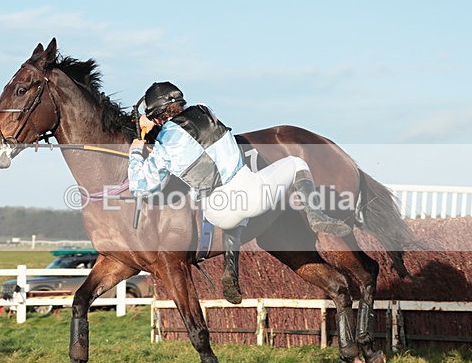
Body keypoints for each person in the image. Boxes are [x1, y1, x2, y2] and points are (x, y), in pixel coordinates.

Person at [128, 82, 351, 305]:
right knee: (296, 163)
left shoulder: (162, 148)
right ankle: (316, 215)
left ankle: (231, 270)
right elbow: (187, 129)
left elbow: (141, 186)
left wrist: (137, 151)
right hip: (251, 197)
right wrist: (159, 126)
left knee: (235, 215)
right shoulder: (205, 110)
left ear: (156, 117)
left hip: (216, 213)